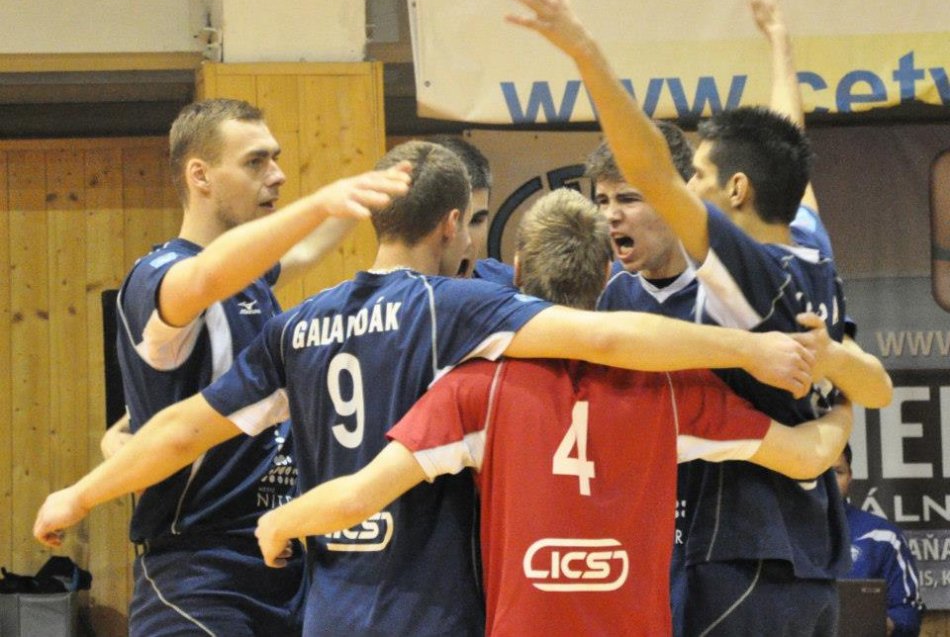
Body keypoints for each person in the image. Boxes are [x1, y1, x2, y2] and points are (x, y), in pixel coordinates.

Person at [35, 140, 818, 636]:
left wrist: (79, 493)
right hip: (432, 606)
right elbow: (608, 338)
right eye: (471, 222)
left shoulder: (295, 323)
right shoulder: (454, 309)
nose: (473, 239)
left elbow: (182, 428)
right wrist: (747, 348)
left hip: (329, 609)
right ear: (450, 223)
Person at [253, 188, 856, 636]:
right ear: (607, 274)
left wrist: (278, 525)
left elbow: (357, 498)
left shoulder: (474, 389)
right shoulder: (671, 390)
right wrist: (845, 401)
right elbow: (810, 456)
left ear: (514, 271)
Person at [497, 0, 892, 635]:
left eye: (701, 177)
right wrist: (778, 39)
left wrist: (584, 50)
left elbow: (653, 169)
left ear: (736, 190)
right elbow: (785, 146)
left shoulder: (750, 272)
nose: (692, 190)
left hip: (739, 551)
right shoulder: (807, 239)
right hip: (808, 556)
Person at [95, 97, 412, 636]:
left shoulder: (251, 279)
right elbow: (204, 278)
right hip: (200, 572)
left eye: (276, 157)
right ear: (200, 176)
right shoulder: (160, 274)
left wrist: (361, 195)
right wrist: (318, 203)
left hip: (280, 557)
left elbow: (302, 254)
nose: (277, 174)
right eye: (255, 161)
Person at [834, 445, 924, 637]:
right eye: (818, 473)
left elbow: (909, 612)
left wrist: (877, 623)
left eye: (837, 472)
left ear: (850, 477)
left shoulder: (883, 536)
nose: (827, 482)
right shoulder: (780, 536)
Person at [430, 133, 514, 283]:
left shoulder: (511, 285)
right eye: (453, 222)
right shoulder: (390, 290)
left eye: (476, 221)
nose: (466, 240)